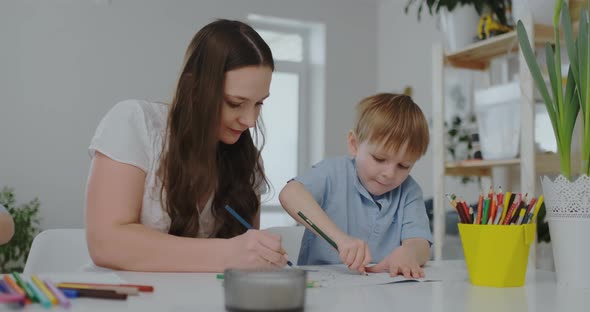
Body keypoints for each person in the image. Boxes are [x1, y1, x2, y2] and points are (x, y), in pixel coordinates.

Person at [85, 19, 288, 272]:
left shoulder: (247, 159)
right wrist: (227, 253)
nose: (250, 120)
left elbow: (243, 264)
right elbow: (106, 243)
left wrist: (258, 254)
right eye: (235, 103)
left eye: (259, 103)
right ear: (194, 87)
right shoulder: (136, 124)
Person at [280, 93, 432, 278]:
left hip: (383, 293)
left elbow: (421, 244)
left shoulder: (409, 190)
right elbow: (290, 193)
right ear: (354, 144)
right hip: (322, 286)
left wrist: (409, 252)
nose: (390, 173)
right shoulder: (332, 172)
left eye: (403, 166)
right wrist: (340, 240)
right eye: (379, 159)